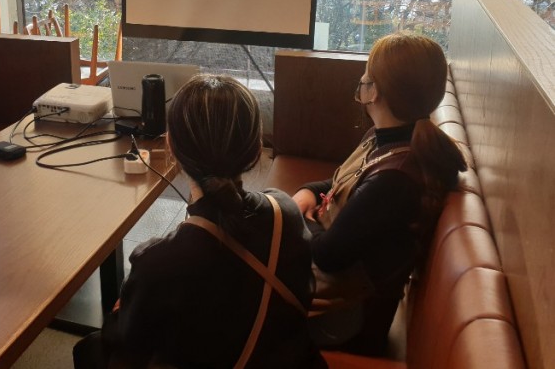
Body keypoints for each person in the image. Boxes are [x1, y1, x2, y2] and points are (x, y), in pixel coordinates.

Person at [74, 75, 326, 369]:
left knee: (87, 350)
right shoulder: (285, 212)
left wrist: (124, 307)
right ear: (257, 148)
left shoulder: (158, 263)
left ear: (171, 146)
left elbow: (127, 351)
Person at [291, 33, 467, 355]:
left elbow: (327, 255)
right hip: (339, 296)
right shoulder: (387, 139)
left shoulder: (394, 180)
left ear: (373, 92)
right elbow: (341, 182)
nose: (361, 80)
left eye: (366, 74)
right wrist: (307, 194)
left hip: (343, 322)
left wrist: (303, 216)